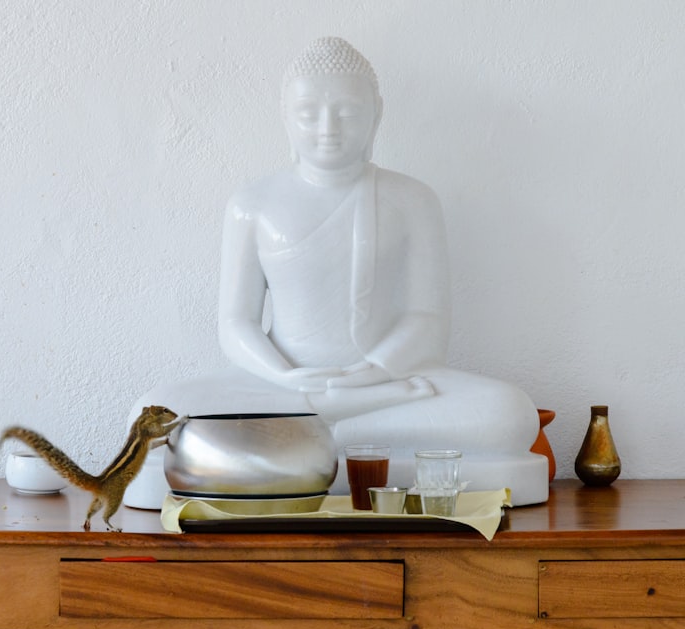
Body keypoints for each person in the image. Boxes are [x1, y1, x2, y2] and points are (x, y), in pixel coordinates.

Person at [133, 37, 546, 504]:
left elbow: (426, 322)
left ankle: (304, 438)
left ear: (377, 114)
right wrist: (287, 378)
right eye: (309, 112)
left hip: (382, 380)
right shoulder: (252, 204)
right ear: (285, 115)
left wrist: (369, 375)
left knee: (510, 414)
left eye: (347, 112)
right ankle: (329, 422)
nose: (328, 128)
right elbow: (236, 323)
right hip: (277, 388)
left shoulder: (412, 200)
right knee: (155, 413)